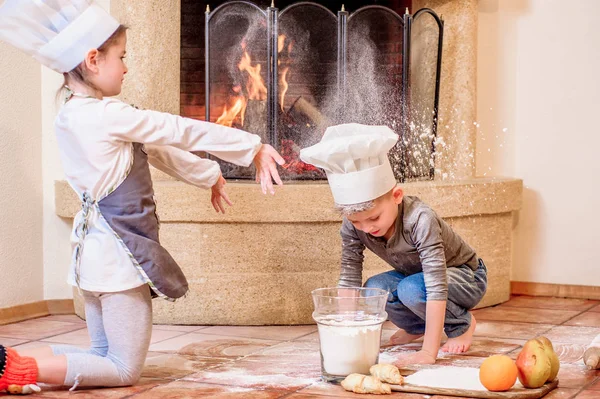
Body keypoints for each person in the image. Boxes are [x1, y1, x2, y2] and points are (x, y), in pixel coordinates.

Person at [0, 0, 284, 394]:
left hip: (91, 258)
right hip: (119, 258)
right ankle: (19, 370)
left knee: (101, 352)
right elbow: (174, 129)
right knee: (121, 369)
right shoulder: (107, 115)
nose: (127, 67)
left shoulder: (72, 111)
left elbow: (156, 148)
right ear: (93, 60)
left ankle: (9, 364)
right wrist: (250, 146)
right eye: (122, 57)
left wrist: (209, 175)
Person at [300, 123, 488, 367]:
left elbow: (436, 284)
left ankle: (461, 324)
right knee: (374, 291)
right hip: (417, 277)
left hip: (466, 276)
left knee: (411, 289)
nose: (367, 228)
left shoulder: (420, 219)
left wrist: (428, 352)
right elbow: (349, 277)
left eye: (374, 217)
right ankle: (417, 326)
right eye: (357, 221)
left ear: (396, 196)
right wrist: (345, 335)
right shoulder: (354, 224)